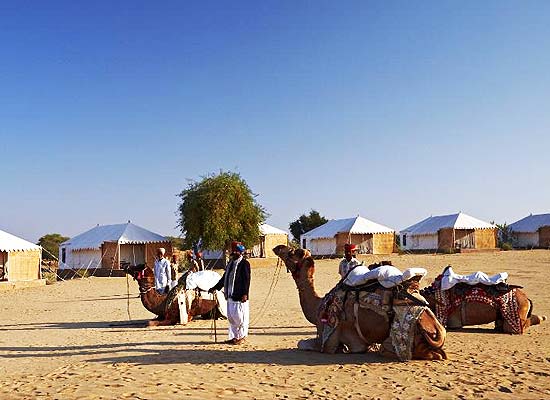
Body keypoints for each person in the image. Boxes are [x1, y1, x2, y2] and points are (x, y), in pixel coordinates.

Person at [209, 241, 251, 345]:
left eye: (235, 251)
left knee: (240, 318)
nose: (233, 253)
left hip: (240, 296)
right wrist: (215, 288)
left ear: (239, 252)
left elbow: (247, 280)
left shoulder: (244, 264)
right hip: (230, 296)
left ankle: (242, 337)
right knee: (232, 318)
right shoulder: (230, 264)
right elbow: (224, 279)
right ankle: (234, 337)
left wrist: (245, 293)